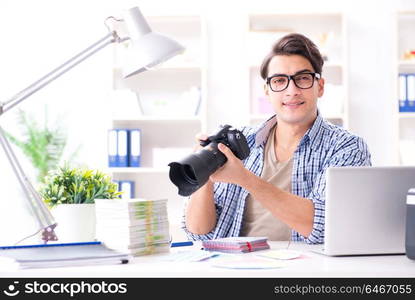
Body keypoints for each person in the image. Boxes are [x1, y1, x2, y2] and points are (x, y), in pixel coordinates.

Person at [182, 33, 371, 244]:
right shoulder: (240, 142)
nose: (292, 91)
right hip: (235, 267)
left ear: (320, 86)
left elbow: (327, 227)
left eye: (302, 79)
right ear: (267, 90)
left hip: (307, 271)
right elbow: (199, 233)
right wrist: (203, 174)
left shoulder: (347, 148)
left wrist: (244, 178)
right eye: (279, 80)